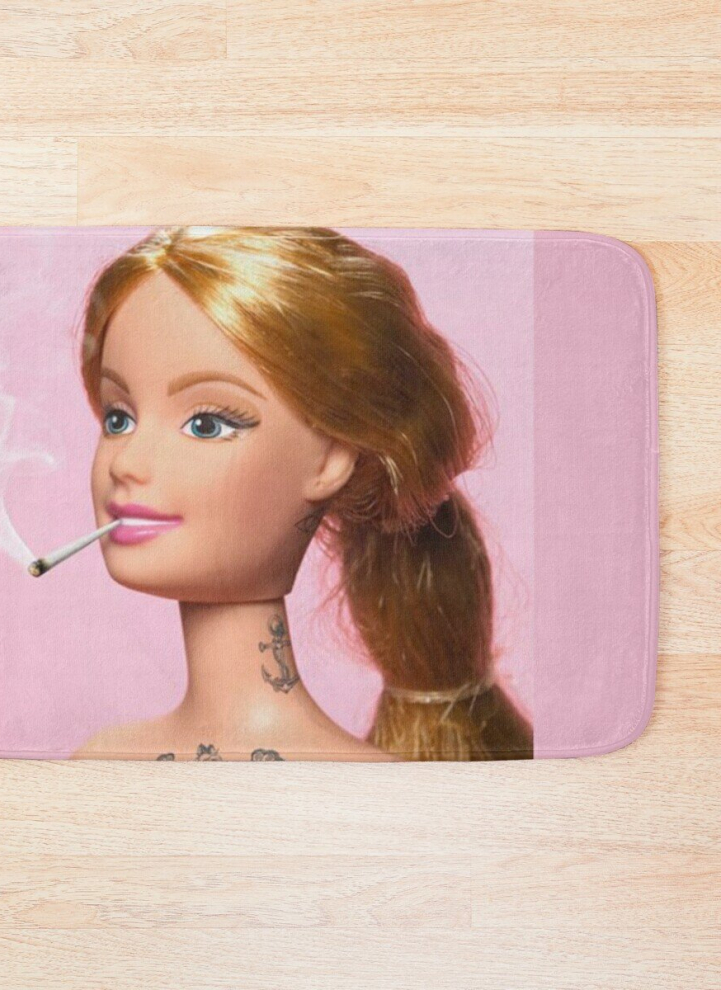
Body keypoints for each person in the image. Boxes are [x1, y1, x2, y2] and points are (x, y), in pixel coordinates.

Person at [70, 226, 532, 761]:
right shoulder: (101, 760)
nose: (126, 463)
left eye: (207, 424)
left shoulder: (369, 792)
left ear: (331, 458)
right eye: (119, 418)